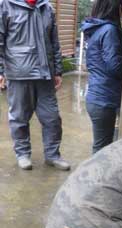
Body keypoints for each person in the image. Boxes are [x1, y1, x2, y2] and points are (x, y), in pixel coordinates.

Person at [0, 0, 70, 171]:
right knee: (19, 118)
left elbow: (54, 42)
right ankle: (23, 154)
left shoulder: (47, 7)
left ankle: (52, 155)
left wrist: (58, 71)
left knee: (52, 118)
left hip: (45, 74)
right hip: (18, 74)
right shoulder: (5, 5)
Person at [82, 0, 122, 154]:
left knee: (101, 145)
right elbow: (115, 66)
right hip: (103, 99)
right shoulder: (109, 30)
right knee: (102, 149)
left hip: (96, 96)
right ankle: (95, 178)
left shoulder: (97, 29)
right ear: (117, 8)